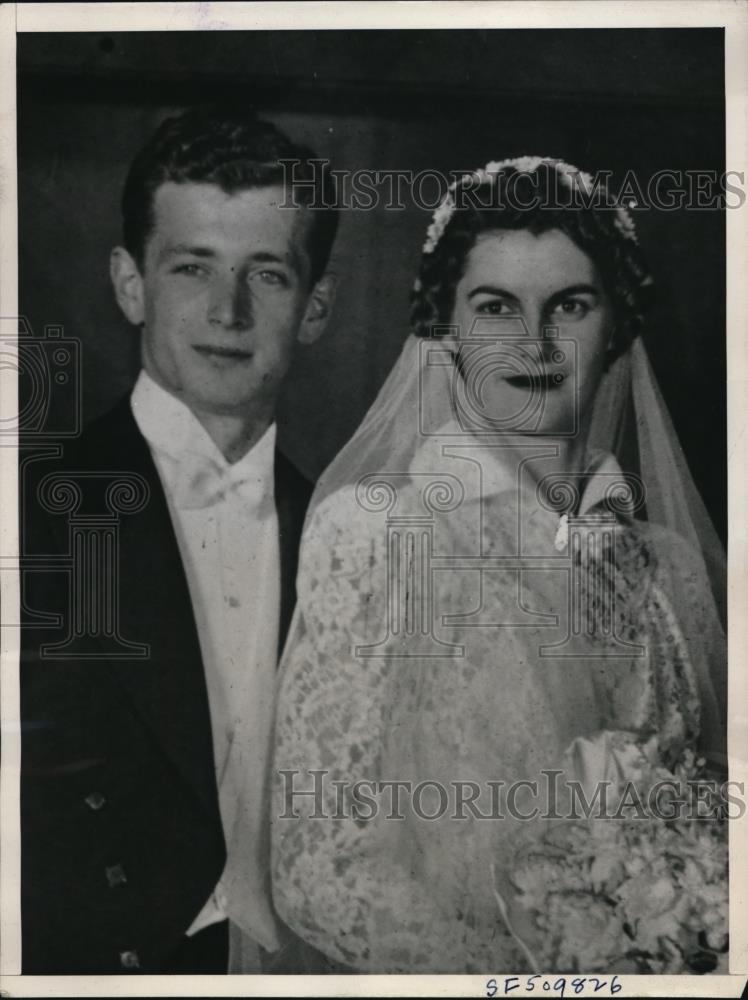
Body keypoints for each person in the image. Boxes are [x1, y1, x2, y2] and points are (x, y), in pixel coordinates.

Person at [270, 158, 728, 972]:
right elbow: (318, 869)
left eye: (571, 306)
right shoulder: (374, 537)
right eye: (495, 308)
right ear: (444, 329)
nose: (535, 343)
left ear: (618, 325)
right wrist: (558, 978)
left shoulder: (673, 575)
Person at [20, 106, 340, 974]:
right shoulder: (27, 510)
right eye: (191, 266)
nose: (226, 310)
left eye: (266, 275)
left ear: (315, 310)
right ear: (131, 284)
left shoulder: (350, 536)